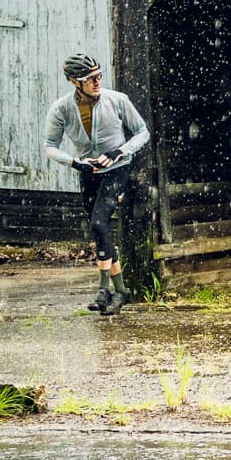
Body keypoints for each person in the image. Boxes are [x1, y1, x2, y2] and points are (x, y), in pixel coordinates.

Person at [42, 53, 150, 317]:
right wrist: (74, 162)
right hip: (88, 172)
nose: (96, 82)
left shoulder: (117, 100)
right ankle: (121, 290)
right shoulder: (62, 108)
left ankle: (104, 288)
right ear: (73, 82)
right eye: (89, 79)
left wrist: (118, 152)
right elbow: (49, 147)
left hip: (116, 170)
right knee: (99, 230)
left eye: (98, 76)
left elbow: (142, 132)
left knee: (99, 223)